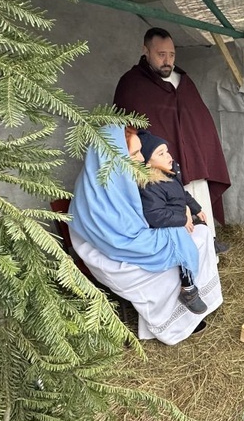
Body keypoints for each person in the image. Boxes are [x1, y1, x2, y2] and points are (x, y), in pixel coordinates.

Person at [67, 125, 223, 345]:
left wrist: (181, 214)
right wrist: (178, 221)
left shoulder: (118, 176)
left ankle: (189, 306)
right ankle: (174, 321)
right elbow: (121, 239)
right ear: (111, 155)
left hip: (126, 242)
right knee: (178, 254)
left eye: (141, 151)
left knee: (195, 237)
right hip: (108, 256)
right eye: (134, 154)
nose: (141, 159)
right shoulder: (101, 189)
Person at [114, 27, 231, 253]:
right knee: (172, 213)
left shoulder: (183, 81)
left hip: (193, 160)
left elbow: (199, 120)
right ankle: (184, 260)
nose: (167, 61)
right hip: (158, 171)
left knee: (198, 200)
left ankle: (209, 241)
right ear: (145, 51)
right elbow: (125, 132)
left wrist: (201, 150)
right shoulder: (131, 84)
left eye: (172, 54)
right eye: (161, 54)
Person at [137, 129, 210, 314]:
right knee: (183, 253)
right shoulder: (150, 185)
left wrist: (195, 208)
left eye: (167, 151)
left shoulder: (169, 174)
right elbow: (155, 215)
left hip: (179, 217)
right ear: (147, 162)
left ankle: (212, 245)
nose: (168, 156)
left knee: (202, 225)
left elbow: (183, 194)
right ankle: (188, 290)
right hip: (168, 226)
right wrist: (181, 219)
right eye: (160, 154)